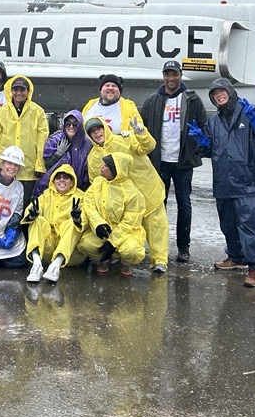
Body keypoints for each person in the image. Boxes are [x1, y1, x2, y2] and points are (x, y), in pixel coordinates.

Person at [188, 77, 255, 288]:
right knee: (228, 223)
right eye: (215, 94)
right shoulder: (213, 122)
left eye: (222, 92)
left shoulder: (249, 111)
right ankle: (237, 257)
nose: (219, 96)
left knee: (252, 225)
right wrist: (202, 143)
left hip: (251, 180)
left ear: (230, 92)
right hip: (225, 181)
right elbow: (212, 150)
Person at [140, 59, 208, 264]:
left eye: (175, 74)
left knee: (184, 205)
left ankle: (183, 248)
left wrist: (197, 146)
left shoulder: (193, 100)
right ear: (163, 76)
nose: (171, 78)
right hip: (159, 162)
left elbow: (203, 127)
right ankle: (157, 248)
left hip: (182, 162)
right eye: (168, 74)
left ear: (180, 76)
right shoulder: (152, 100)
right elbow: (143, 129)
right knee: (158, 206)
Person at [84, 117, 169, 274]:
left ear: (105, 127)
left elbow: (148, 147)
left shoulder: (125, 139)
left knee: (156, 227)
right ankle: (119, 255)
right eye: (92, 131)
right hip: (121, 201)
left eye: (98, 128)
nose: (97, 133)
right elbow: (96, 182)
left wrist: (140, 132)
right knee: (125, 228)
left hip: (147, 191)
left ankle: (159, 260)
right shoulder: (93, 157)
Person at [78, 153, 146, 276]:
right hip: (104, 230)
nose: (102, 167)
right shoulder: (98, 182)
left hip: (125, 234)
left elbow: (130, 222)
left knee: (131, 251)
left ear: (116, 170)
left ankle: (125, 262)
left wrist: (112, 242)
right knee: (86, 244)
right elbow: (88, 203)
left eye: (106, 166)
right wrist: (98, 224)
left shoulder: (132, 193)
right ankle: (104, 259)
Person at [22, 163, 88, 283]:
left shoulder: (81, 197)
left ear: (72, 182)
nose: (62, 180)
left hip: (71, 252)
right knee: (37, 220)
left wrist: (78, 219)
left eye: (66, 177)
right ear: (53, 181)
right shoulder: (46, 195)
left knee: (72, 223)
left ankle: (56, 266)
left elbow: (86, 220)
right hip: (48, 249)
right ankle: (36, 265)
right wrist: (31, 214)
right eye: (58, 177)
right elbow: (33, 208)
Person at [0, 75, 48, 199]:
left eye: (22, 89)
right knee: (2, 204)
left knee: (24, 205)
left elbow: (43, 140)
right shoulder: (1, 112)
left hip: (28, 168)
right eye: (15, 89)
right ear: (10, 91)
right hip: (5, 168)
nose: (18, 93)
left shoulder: (38, 112)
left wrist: (40, 165)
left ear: (28, 91)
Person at [34, 109, 91, 196]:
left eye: (75, 124)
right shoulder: (55, 140)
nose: (71, 126)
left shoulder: (87, 144)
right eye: (68, 123)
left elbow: (89, 171)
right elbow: (44, 166)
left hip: (77, 191)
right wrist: (58, 154)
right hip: (51, 190)